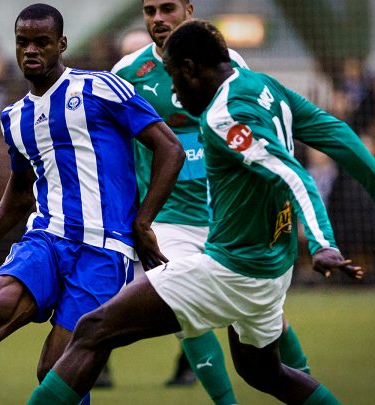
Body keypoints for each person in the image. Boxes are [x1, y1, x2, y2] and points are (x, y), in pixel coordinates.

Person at [28, 20, 375, 405]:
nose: (177, 98)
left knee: (94, 328)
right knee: (264, 372)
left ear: (190, 69)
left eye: (176, 80)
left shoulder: (223, 117)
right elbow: (332, 130)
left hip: (232, 270)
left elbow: (294, 175)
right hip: (271, 268)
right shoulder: (266, 87)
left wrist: (323, 244)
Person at [0, 4, 184, 404]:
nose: (30, 51)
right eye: (22, 43)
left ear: (61, 45)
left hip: (104, 251)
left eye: (41, 42)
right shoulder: (14, 117)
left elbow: (169, 148)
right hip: (47, 239)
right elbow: (20, 188)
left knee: (57, 372)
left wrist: (143, 223)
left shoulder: (101, 88)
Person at [107, 0, 310, 397]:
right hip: (168, 220)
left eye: (168, 8)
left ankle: (307, 385)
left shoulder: (230, 62)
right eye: (150, 11)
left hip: (227, 218)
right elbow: (119, 152)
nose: (158, 18)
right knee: (184, 316)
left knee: (266, 320)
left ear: (189, 9)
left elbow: (253, 137)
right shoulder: (127, 74)